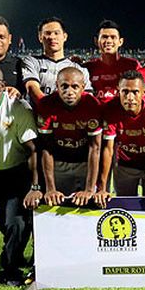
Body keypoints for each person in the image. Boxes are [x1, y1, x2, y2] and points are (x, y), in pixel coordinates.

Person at [0, 65, 41, 286]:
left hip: (15, 173)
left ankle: (10, 268)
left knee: (16, 224)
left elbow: (33, 150)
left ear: (2, 86)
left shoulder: (17, 108)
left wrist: (35, 187)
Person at [94, 70, 145, 209]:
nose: (130, 97)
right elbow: (108, 149)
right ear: (119, 92)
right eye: (125, 92)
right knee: (124, 207)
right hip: (125, 166)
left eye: (135, 92)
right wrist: (102, 188)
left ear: (143, 93)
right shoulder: (111, 109)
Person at [36, 67, 102, 207]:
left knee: (88, 208)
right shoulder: (46, 105)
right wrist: (50, 188)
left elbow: (95, 149)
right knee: (59, 207)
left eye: (75, 87)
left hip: (86, 164)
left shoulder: (92, 105)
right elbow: (46, 148)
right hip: (59, 164)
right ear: (57, 86)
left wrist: (90, 189)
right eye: (64, 86)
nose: (69, 92)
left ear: (83, 87)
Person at [21, 17, 91, 102]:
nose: (52, 37)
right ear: (40, 37)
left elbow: (87, 97)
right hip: (38, 113)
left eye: (56, 33)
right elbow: (32, 88)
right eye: (48, 33)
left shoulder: (79, 68)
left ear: (64, 36)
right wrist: (48, 108)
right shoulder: (31, 62)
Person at [84, 20, 141, 103]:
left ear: (120, 42)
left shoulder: (132, 65)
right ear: (96, 41)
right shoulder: (87, 68)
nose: (109, 41)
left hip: (122, 115)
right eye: (104, 37)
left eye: (113, 37)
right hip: (96, 115)